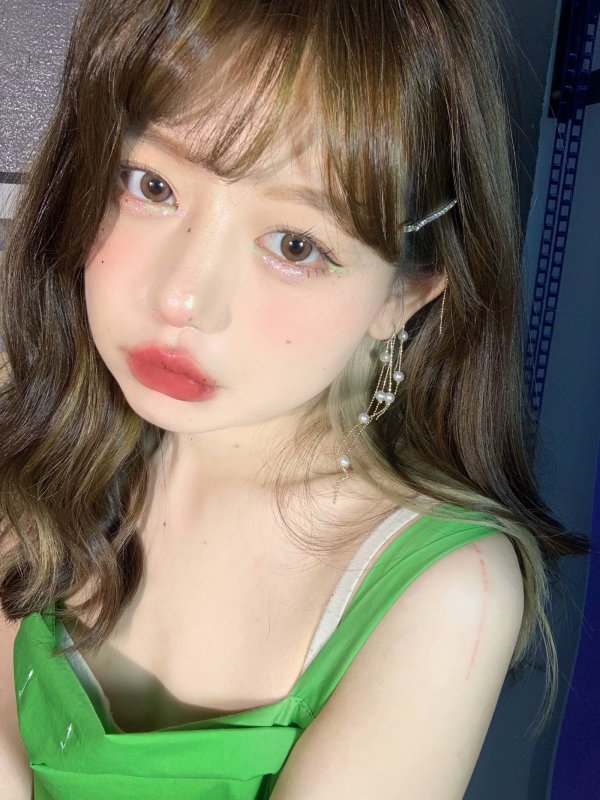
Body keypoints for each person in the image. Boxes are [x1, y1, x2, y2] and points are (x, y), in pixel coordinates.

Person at [0, 0, 587, 798]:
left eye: (295, 245)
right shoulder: (45, 431)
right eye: (151, 185)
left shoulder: (442, 592)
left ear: (406, 293)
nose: (183, 298)